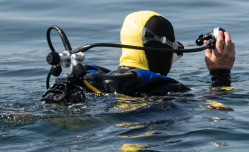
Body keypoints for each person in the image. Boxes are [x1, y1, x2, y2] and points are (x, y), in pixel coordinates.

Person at [81, 11, 235, 97]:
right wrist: (220, 74)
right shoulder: (167, 89)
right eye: (174, 52)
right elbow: (217, 105)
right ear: (162, 51)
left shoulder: (96, 81)